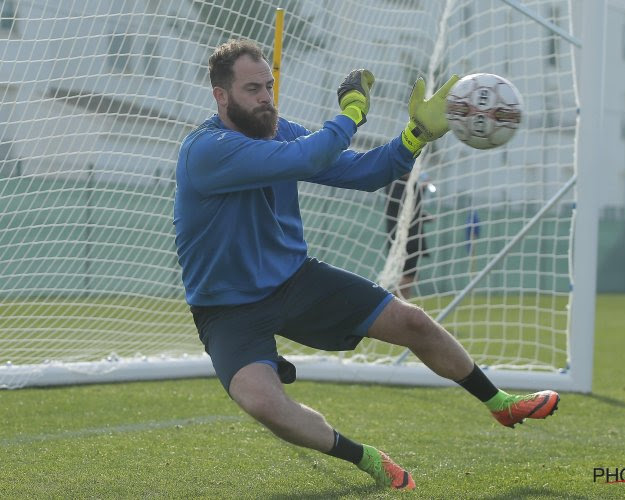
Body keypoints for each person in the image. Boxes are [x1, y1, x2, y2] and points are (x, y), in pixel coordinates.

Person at [173, 39, 560, 491]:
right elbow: (310, 156)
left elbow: (364, 172)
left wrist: (414, 136)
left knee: (411, 321)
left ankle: (500, 402)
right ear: (221, 96)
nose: (265, 98)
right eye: (252, 89)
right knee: (263, 404)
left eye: (269, 87)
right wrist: (352, 111)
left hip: (293, 281)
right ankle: (367, 458)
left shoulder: (279, 132)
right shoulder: (207, 150)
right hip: (226, 308)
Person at [384, 172, 435, 299]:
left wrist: (425, 217)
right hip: (402, 239)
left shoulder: (412, 185)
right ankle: (391, 300)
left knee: (410, 276)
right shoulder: (395, 185)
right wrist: (421, 189)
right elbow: (404, 208)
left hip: (414, 237)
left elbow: (414, 211)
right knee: (409, 276)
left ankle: (403, 303)